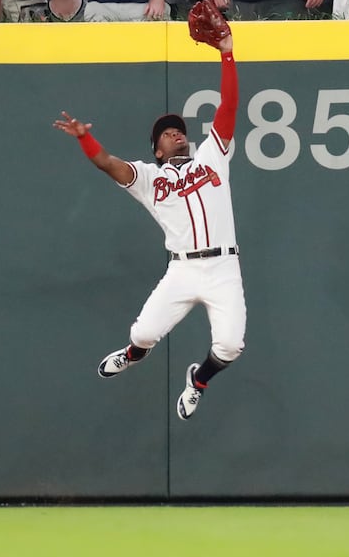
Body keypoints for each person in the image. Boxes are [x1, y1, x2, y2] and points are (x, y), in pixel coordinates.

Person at [52, 22, 244, 421]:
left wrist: (226, 53)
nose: (176, 134)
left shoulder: (213, 156)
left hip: (224, 266)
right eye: (167, 134)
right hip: (184, 268)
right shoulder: (150, 178)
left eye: (179, 131)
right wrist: (85, 138)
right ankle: (131, 356)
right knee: (142, 335)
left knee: (229, 346)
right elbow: (107, 164)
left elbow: (227, 108)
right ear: (156, 149)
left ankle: (199, 381)